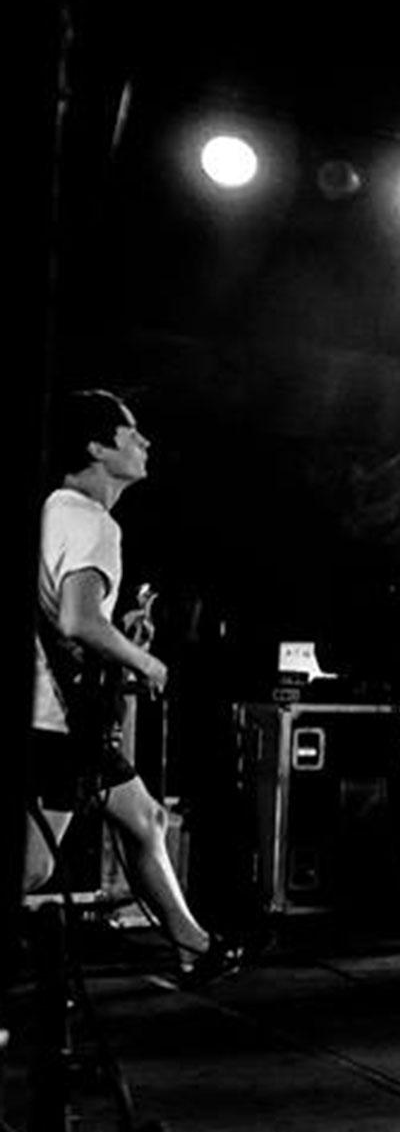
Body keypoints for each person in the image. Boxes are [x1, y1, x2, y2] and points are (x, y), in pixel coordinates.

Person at [26, 390, 239, 982]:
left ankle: (193, 945)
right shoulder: (92, 521)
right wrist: (149, 665)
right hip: (56, 722)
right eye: (130, 433)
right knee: (33, 870)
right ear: (96, 448)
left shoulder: (59, 510)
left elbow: (70, 619)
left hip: (65, 718)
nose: (143, 442)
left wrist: (121, 637)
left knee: (145, 819)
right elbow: (76, 620)